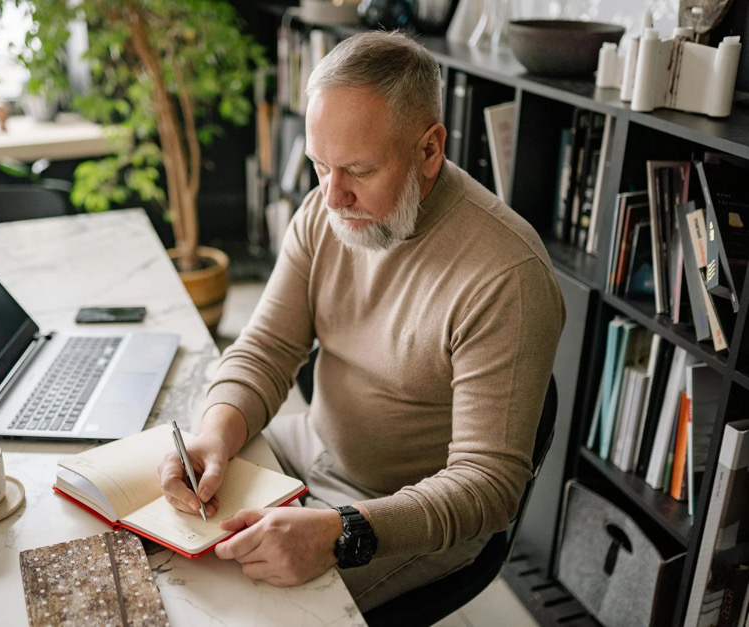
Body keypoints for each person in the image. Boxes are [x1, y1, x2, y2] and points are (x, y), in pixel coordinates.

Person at [158, 30, 565, 611]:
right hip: (313, 445)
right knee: (168, 571)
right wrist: (213, 438)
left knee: (240, 612)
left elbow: (488, 488)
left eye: (357, 170)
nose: (331, 196)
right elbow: (267, 347)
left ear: (429, 150)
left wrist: (340, 530)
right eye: (319, 165)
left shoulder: (507, 276)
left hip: (404, 513)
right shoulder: (323, 212)